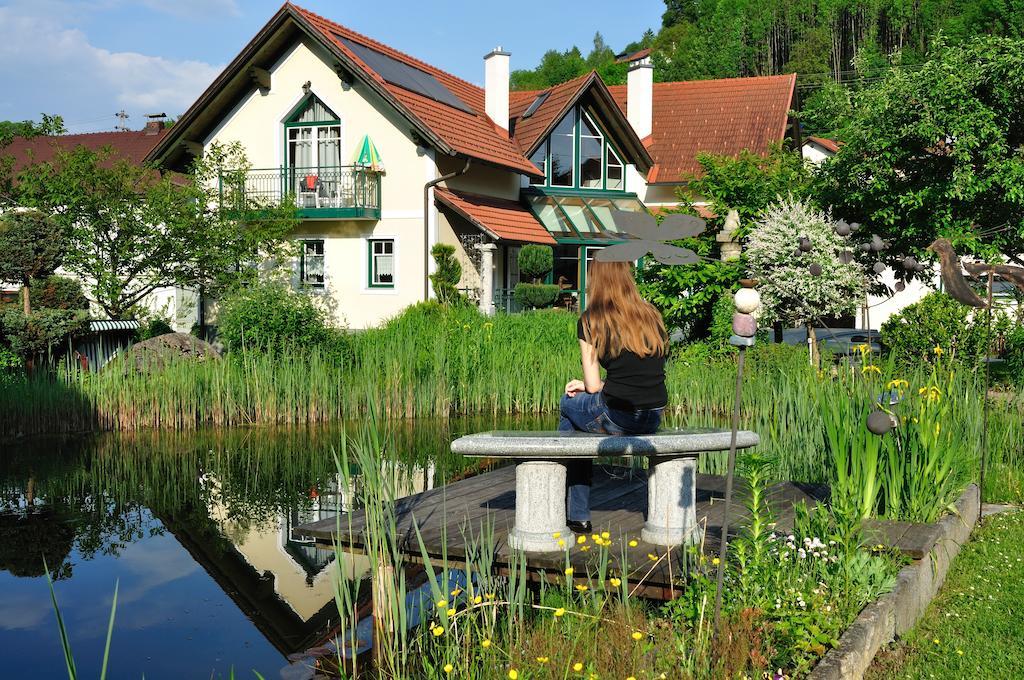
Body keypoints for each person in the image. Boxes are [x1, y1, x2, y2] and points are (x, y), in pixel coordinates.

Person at [559, 260, 668, 533]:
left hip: (619, 416)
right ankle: (574, 509)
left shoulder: (590, 319)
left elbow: (593, 386)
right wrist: (596, 386)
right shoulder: (650, 314)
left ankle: (576, 512)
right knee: (581, 404)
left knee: (569, 404)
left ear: (597, 280)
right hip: (653, 415)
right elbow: (638, 374)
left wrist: (586, 387)